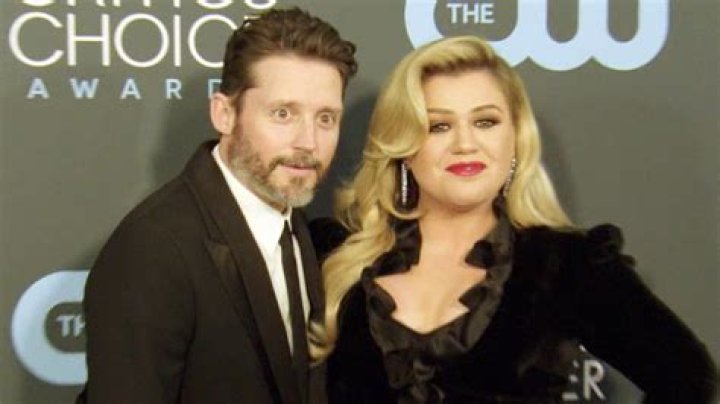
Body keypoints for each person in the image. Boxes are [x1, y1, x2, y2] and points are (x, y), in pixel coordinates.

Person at [309, 36, 717, 403]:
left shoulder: (565, 265)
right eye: (439, 126)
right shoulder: (332, 255)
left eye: (485, 121)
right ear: (403, 147)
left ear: (516, 138)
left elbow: (688, 378)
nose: (465, 143)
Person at [79, 7, 357, 404]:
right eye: (283, 114)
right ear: (224, 114)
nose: (308, 142)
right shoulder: (154, 249)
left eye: (326, 118)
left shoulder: (296, 225)